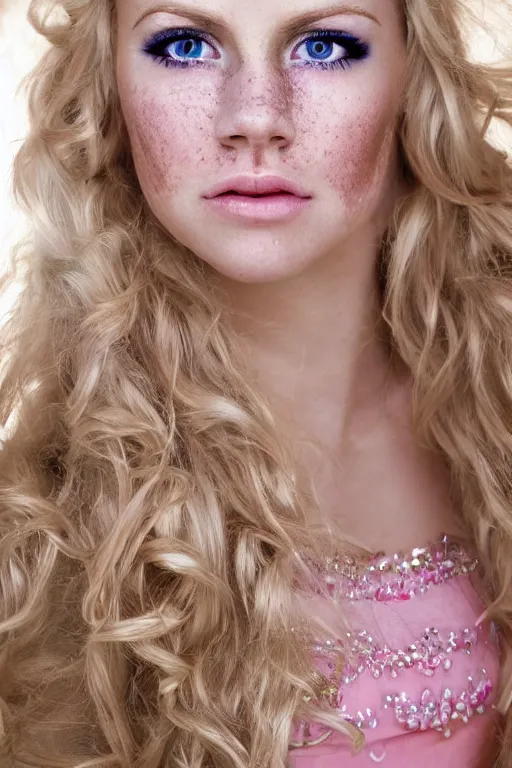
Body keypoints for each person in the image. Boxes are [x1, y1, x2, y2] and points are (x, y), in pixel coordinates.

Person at [0, 0, 511, 765]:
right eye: (182, 45)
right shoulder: (35, 532)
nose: (255, 119)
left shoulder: (495, 410)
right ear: (108, 81)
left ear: (414, 75)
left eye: (327, 46)